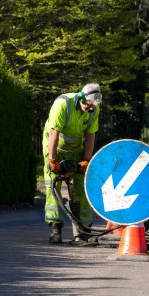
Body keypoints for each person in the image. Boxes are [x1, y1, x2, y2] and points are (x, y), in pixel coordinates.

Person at [43, 84, 101, 244]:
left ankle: (84, 230)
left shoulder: (94, 109)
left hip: (76, 149)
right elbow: (54, 133)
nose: (89, 109)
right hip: (55, 147)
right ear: (81, 98)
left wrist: (86, 160)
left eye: (92, 107)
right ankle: (55, 228)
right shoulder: (62, 104)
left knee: (82, 185)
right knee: (52, 185)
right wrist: (52, 160)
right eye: (87, 105)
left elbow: (90, 134)